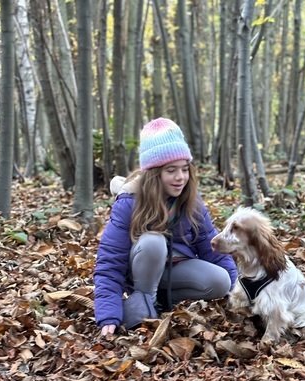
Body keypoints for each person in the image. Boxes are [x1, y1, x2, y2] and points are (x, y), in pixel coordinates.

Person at [94, 117, 237, 336]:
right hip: (141, 269)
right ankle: (144, 302)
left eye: (184, 169)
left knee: (220, 280)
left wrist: (239, 293)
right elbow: (110, 262)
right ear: (154, 173)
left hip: (175, 268)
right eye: (171, 170)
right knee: (153, 242)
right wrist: (108, 314)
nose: (180, 178)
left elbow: (212, 249)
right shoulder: (129, 203)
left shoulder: (192, 201)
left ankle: (158, 301)